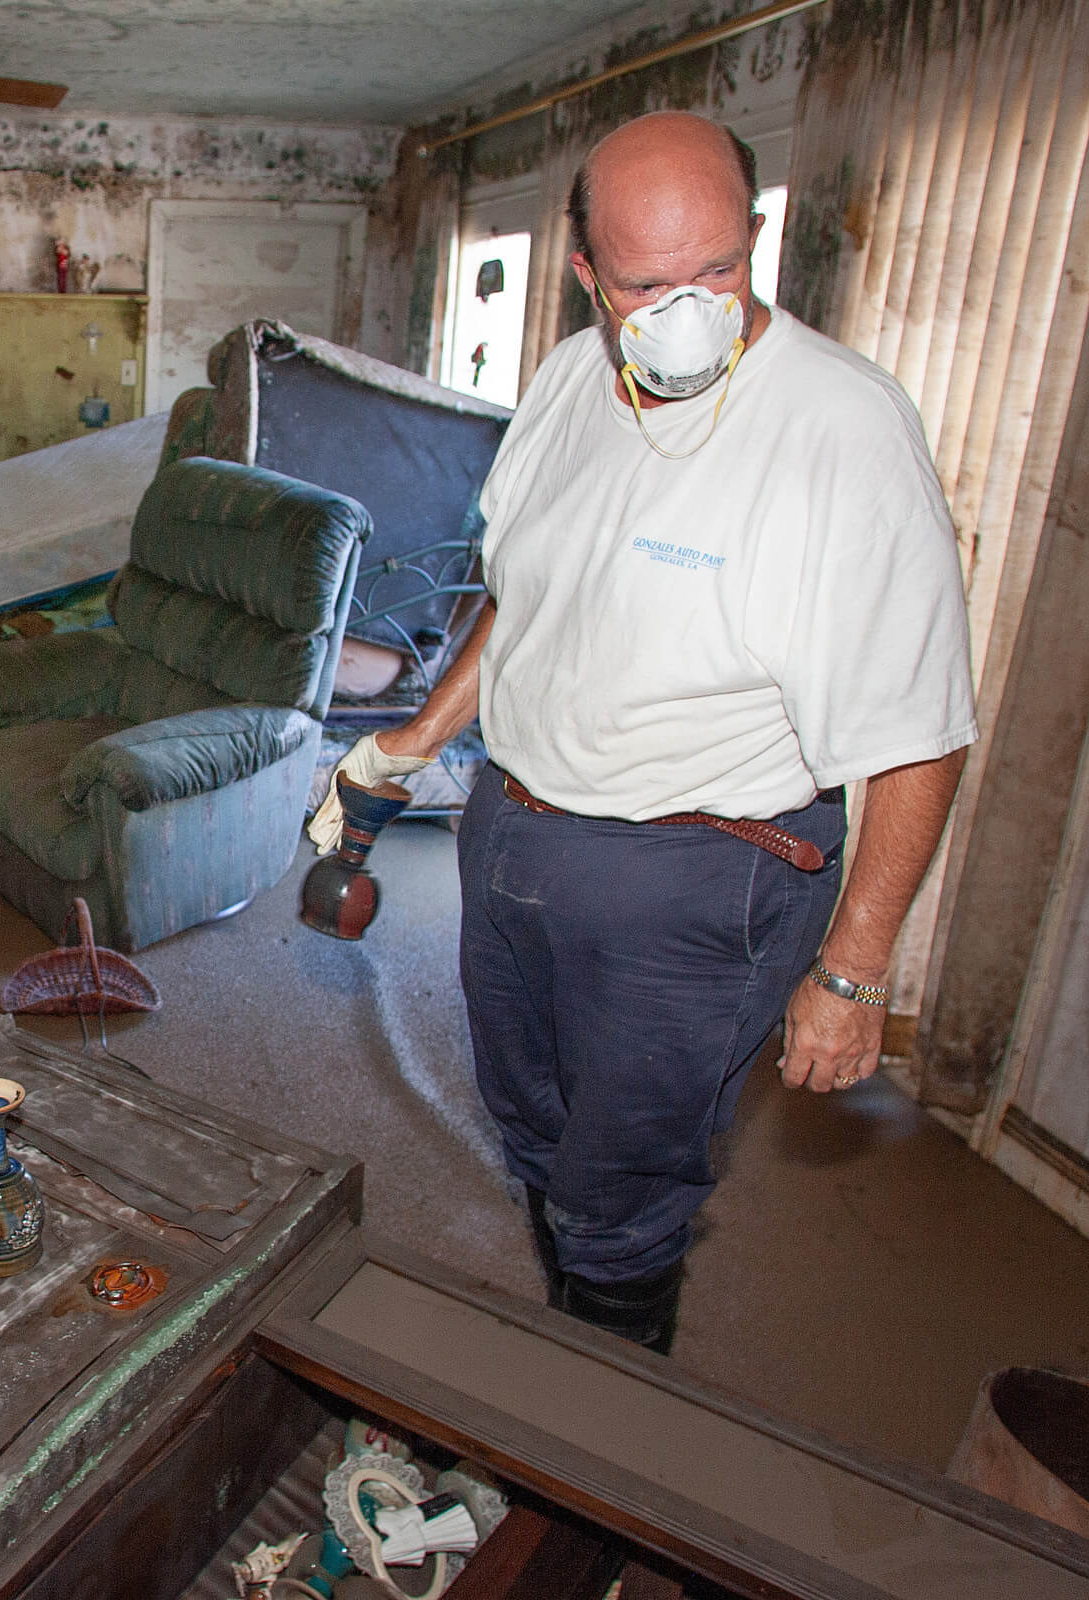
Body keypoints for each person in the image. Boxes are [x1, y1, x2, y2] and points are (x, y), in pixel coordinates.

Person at [309, 111, 977, 1355]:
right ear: (585, 279)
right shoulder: (569, 381)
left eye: (718, 269)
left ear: (757, 236)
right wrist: (404, 746)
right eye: (645, 284)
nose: (687, 310)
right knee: (537, 1141)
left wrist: (854, 966)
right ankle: (577, 1362)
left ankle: (599, 1461)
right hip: (515, 836)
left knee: (623, 1197)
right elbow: (523, 601)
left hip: (697, 874)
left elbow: (921, 725)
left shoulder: (843, 430)